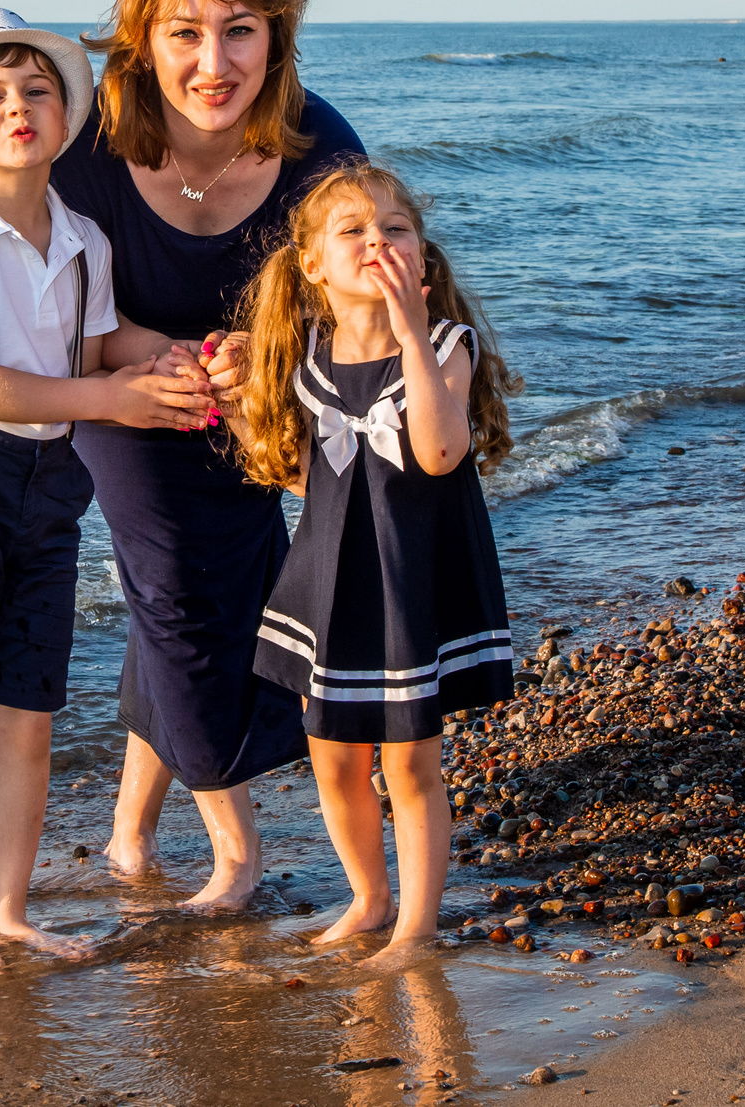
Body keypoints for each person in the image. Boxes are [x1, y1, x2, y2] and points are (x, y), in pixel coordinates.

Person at [0, 8, 213, 974]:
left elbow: (98, 340)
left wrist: (175, 358)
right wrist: (110, 396)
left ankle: (11, 912)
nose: (17, 109)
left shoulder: (82, 237)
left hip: (49, 481)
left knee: (26, 718)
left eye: (37, 93)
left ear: (66, 122)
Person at [50, 0, 366, 910]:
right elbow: (35, 306)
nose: (211, 61)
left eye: (238, 30)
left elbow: (355, 297)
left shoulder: (320, 147)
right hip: (119, 402)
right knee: (183, 595)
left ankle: (129, 836)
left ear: (276, 35)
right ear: (143, 39)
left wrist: (268, 359)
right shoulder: (86, 152)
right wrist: (155, 358)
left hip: (256, 412)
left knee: (175, 604)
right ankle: (238, 850)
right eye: (183, 33)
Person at [224, 160, 520, 957]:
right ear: (313, 264)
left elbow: (438, 449)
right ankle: (368, 897)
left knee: (412, 763)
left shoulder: (446, 344)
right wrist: (233, 405)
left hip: (411, 583)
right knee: (333, 759)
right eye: (352, 230)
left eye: (395, 228)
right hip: (330, 584)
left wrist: (411, 332)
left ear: (421, 257)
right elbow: (294, 475)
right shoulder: (306, 356)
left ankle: (418, 926)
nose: (377, 242)